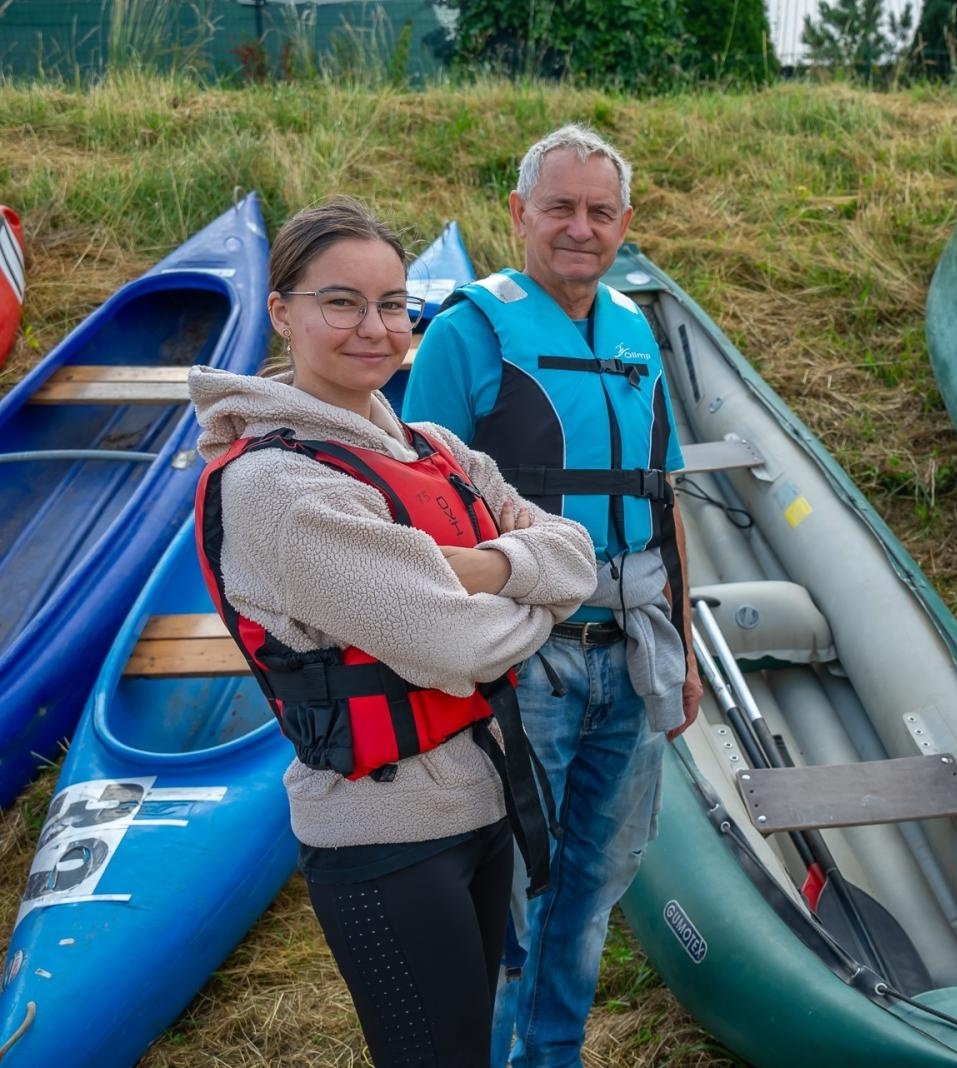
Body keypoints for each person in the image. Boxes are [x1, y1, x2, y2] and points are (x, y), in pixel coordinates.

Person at [188, 197, 597, 1067]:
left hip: (482, 803)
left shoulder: (435, 447)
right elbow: (462, 645)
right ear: (283, 312)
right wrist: (515, 585)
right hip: (385, 834)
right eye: (342, 302)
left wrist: (475, 569)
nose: (375, 328)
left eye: (393, 304)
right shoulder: (276, 488)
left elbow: (578, 556)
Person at [402, 124, 703, 1068]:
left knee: (595, 885)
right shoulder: (466, 332)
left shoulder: (633, 331)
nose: (581, 228)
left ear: (624, 223)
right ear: (519, 214)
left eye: (600, 211)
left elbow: (663, 501)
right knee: (514, 890)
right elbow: (417, 514)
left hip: (630, 650)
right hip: (524, 661)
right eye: (560, 207)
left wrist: (683, 648)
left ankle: (556, 1052)